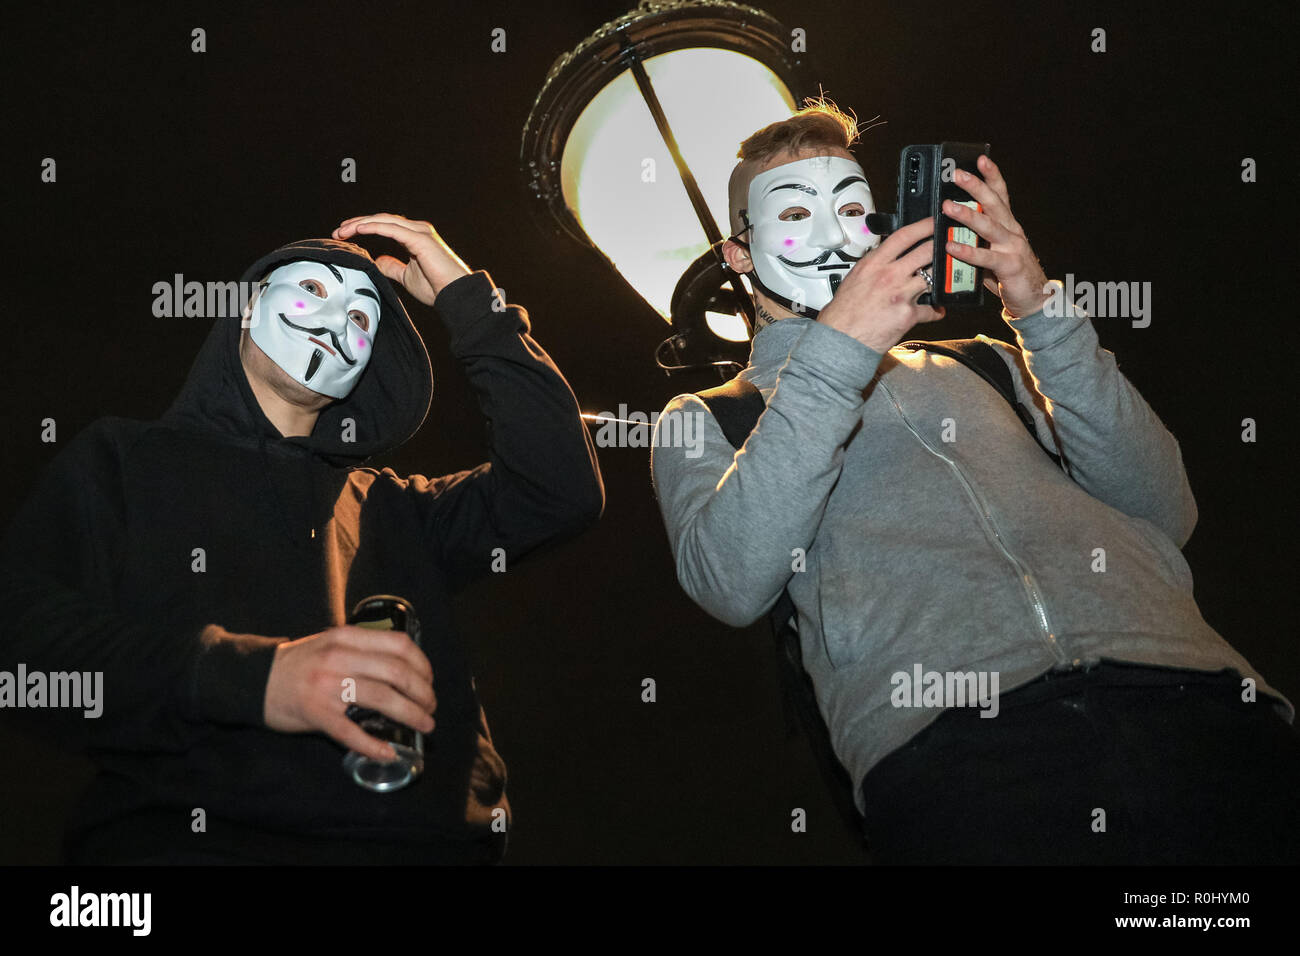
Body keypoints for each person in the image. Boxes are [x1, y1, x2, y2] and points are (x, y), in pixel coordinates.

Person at [650, 103, 1299, 864]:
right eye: (794, 212)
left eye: (854, 209)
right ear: (739, 255)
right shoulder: (706, 417)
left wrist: (1038, 307)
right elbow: (730, 578)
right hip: (962, 757)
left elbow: (1164, 509)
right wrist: (836, 353)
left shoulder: (988, 361)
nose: (833, 234)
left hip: (1204, 710)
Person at [0, 214, 604, 864]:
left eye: (365, 318)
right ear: (251, 302)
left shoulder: (397, 508)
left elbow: (559, 489)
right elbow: (23, 650)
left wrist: (472, 304)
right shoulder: (122, 462)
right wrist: (254, 680)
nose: (338, 319)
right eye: (313, 290)